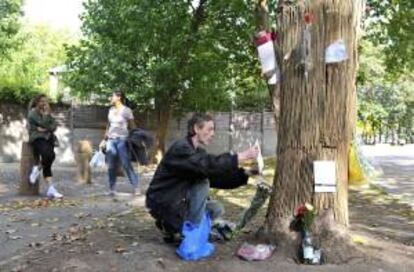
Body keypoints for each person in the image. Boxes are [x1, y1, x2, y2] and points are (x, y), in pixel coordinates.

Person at [146, 113, 259, 242]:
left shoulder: (198, 152)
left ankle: (174, 228)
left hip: (178, 200)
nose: (213, 133)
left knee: (216, 209)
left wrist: (247, 173)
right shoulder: (181, 149)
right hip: (163, 202)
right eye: (209, 129)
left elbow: (217, 176)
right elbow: (209, 164)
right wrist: (242, 156)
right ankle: (190, 232)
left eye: (214, 130)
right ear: (196, 129)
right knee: (202, 182)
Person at [104, 90, 139, 196]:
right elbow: (108, 125)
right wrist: (104, 138)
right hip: (111, 140)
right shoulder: (111, 110)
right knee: (111, 165)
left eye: (112, 96)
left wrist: (137, 138)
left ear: (119, 97)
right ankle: (112, 188)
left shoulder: (127, 110)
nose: (110, 98)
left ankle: (136, 187)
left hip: (122, 140)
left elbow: (132, 126)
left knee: (126, 164)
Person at [28, 94, 63, 199]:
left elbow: (54, 126)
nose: (44, 103)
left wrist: (46, 126)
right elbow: (44, 124)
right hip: (37, 138)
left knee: (51, 157)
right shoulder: (33, 113)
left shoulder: (47, 113)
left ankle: (51, 189)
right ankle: (37, 170)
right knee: (48, 155)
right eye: (42, 101)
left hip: (48, 138)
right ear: (37, 102)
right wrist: (46, 123)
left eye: (45, 101)